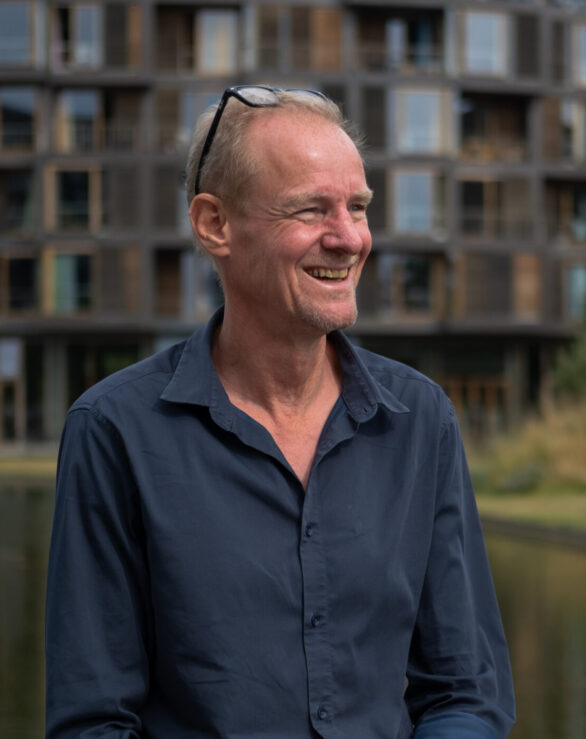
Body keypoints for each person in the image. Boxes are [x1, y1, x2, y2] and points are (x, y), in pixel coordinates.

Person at [46, 86, 515, 738]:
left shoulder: (420, 418)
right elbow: (93, 721)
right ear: (215, 224)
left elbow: (466, 693)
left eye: (358, 207)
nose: (349, 238)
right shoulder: (113, 431)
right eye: (310, 209)